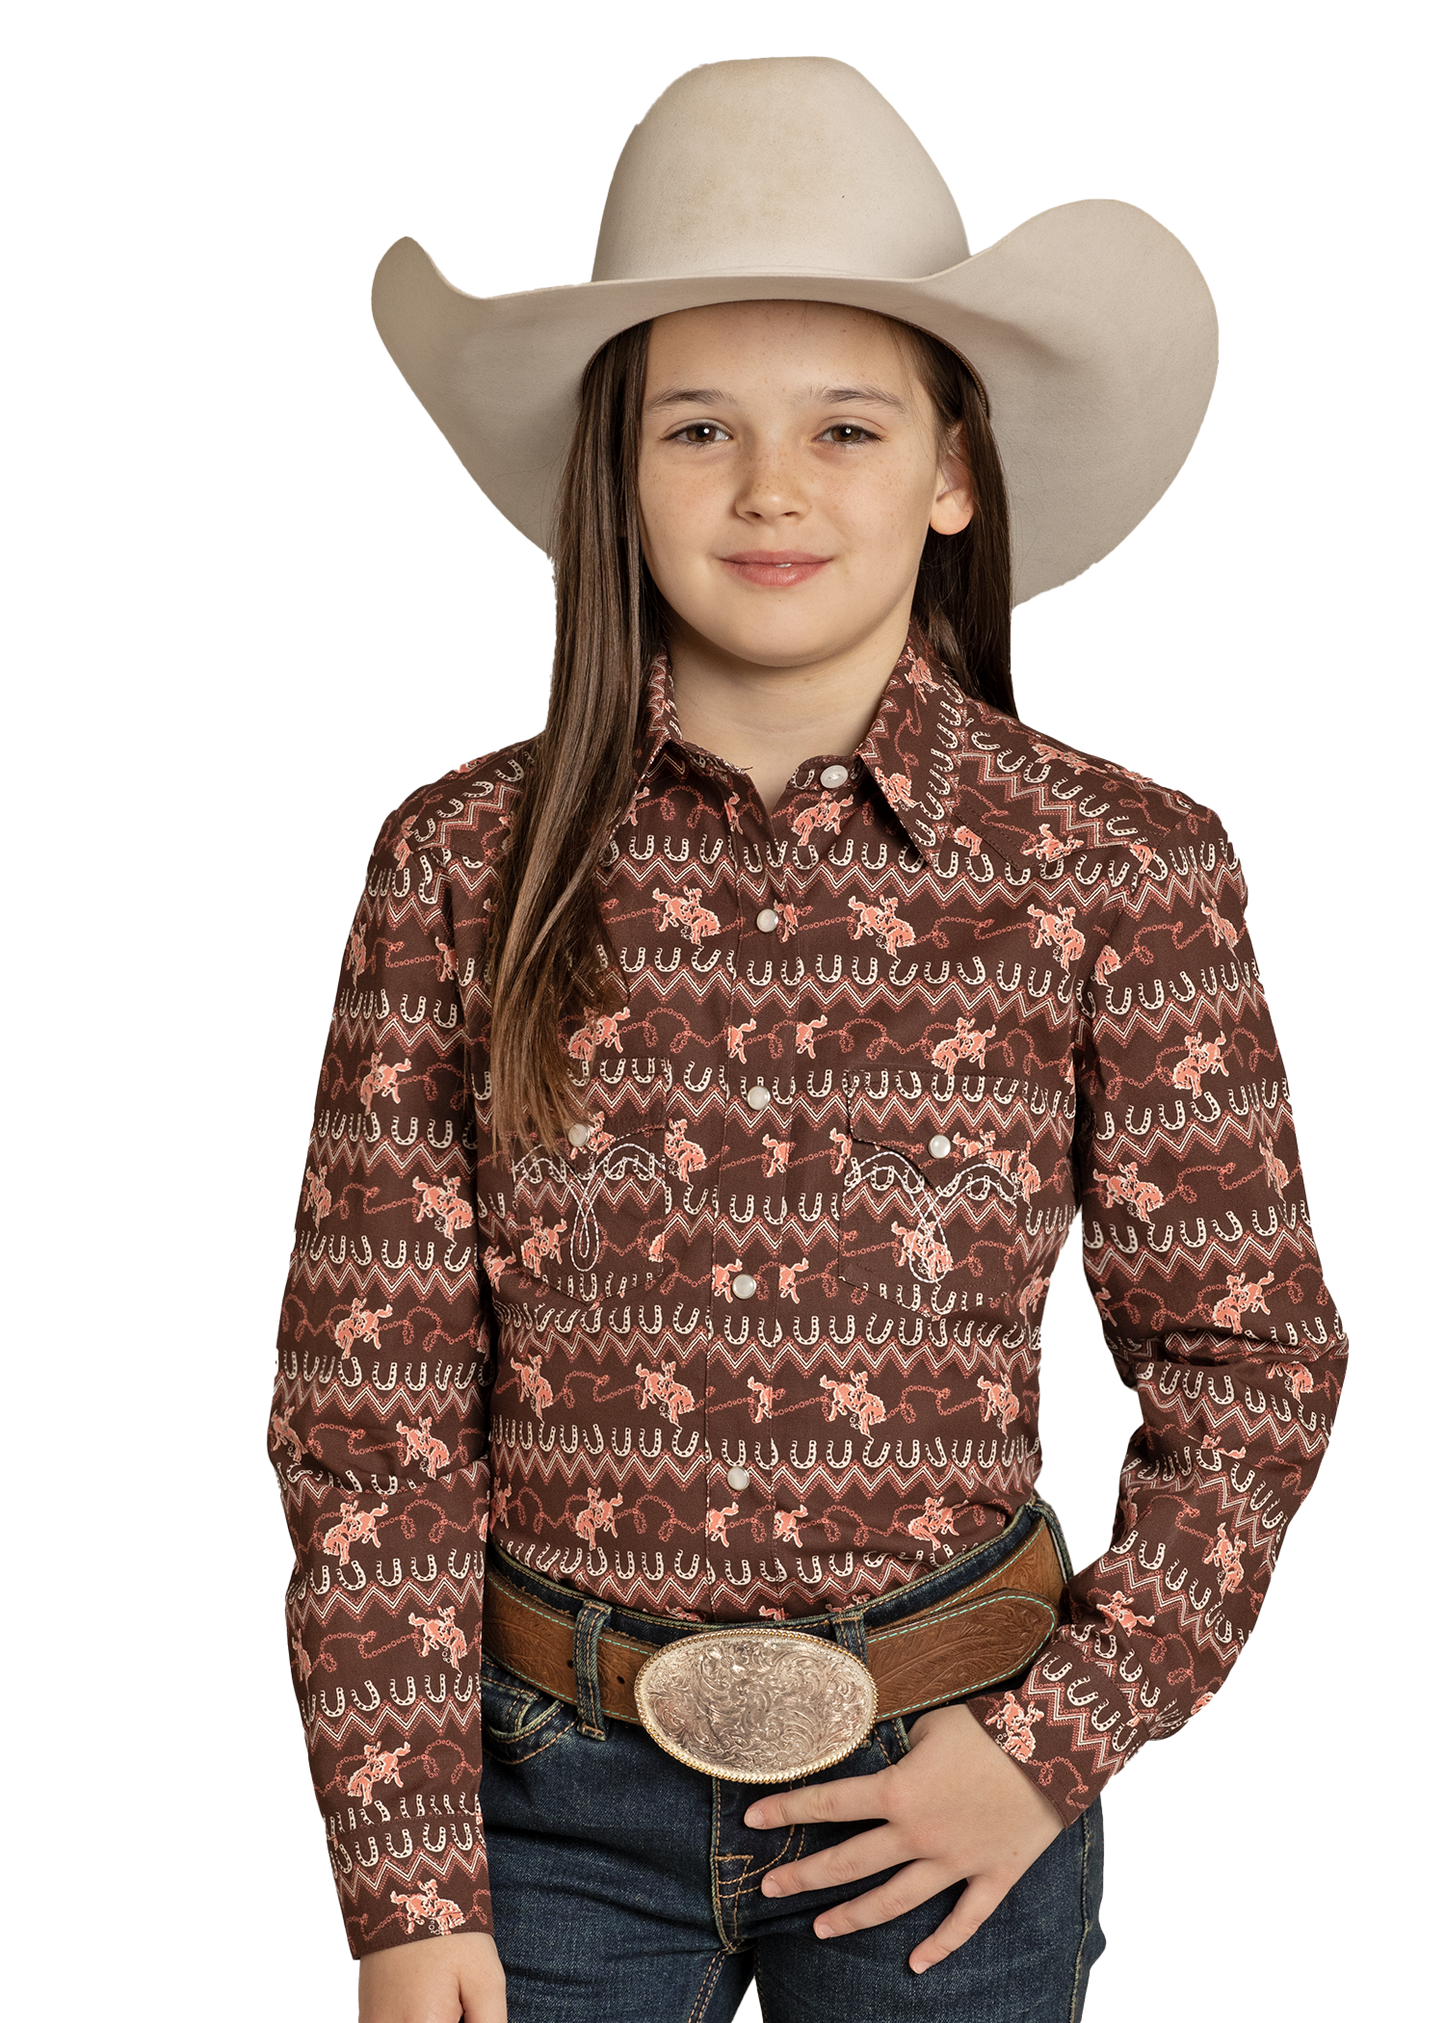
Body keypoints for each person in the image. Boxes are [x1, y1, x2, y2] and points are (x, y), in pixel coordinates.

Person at [266, 54, 1349, 2023]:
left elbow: (1248, 1363)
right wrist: (404, 1878)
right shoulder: (457, 864)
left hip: (944, 1796)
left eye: (843, 426)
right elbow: (369, 1411)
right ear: (613, 470)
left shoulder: (1120, 869)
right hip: (535, 1812)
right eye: (698, 427)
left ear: (949, 471)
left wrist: (1048, 1748)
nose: (771, 490)